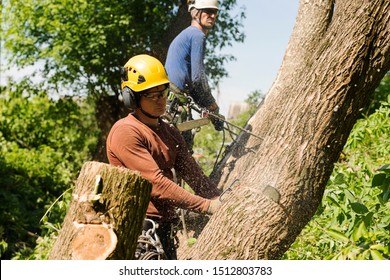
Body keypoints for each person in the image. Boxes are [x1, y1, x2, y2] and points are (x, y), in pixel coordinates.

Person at [106, 54, 222, 260]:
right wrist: (207, 206)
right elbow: (156, 184)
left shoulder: (168, 131)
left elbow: (192, 173)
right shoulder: (126, 132)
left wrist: (217, 197)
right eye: (153, 95)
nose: (162, 100)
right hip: (138, 231)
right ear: (132, 97)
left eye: (164, 92)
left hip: (165, 228)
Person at [165, 0, 225, 141]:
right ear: (197, 13)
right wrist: (213, 107)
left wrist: (207, 107)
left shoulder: (187, 34)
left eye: (215, 12)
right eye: (208, 11)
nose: (212, 16)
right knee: (182, 148)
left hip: (171, 97)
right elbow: (198, 78)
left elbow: (193, 83)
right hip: (175, 100)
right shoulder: (197, 35)